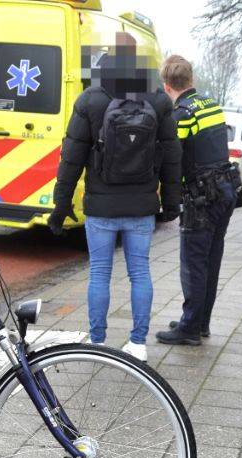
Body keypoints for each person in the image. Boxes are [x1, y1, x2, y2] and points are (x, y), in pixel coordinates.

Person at [48, 33, 182, 363]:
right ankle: (138, 343)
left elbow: (71, 157)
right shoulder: (159, 100)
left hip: (101, 206)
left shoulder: (91, 99)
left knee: (99, 274)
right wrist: (171, 202)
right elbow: (172, 156)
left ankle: (97, 341)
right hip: (141, 207)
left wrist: (61, 204)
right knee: (140, 273)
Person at [155, 54, 235, 348]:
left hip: (201, 199)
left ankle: (189, 328)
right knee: (211, 261)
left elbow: (174, 161)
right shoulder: (211, 105)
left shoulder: (182, 114)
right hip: (225, 191)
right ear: (191, 79)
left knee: (193, 265)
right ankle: (200, 322)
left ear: (167, 86)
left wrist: (168, 201)